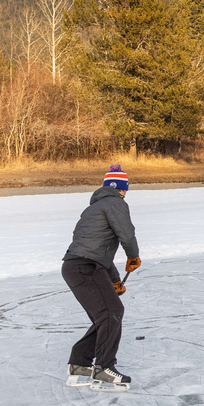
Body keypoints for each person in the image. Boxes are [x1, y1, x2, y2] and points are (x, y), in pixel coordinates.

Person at [61, 164, 141, 391]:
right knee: (112, 312)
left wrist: (114, 279)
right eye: (125, 189)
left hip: (75, 266)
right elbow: (126, 234)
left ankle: (80, 365)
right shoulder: (116, 203)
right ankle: (104, 368)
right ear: (122, 189)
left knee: (105, 316)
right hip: (86, 266)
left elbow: (100, 250)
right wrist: (134, 256)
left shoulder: (94, 208)